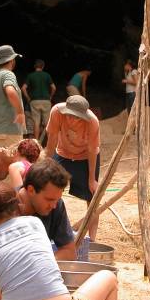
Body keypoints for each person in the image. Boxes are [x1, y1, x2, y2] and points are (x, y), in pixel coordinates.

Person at [0, 158, 78, 260]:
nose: (54, 205)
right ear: (31, 190)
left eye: (57, 200)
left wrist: (40, 264)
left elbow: (69, 251)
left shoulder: (56, 205)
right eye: (49, 199)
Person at [45, 95, 101, 240]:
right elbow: (51, 140)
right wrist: (46, 165)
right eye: (69, 115)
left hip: (85, 157)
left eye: (76, 117)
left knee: (93, 195)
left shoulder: (92, 121)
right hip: (62, 153)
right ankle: (48, 233)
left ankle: (93, 240)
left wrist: (91, 179)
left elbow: (92, 150)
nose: (71, 119)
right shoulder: (56, 112)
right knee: (48, 188)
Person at [0, 45, 25, 148]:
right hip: (7, 132)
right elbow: (10, 91)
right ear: (12, 60)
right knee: (12, 163)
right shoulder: (8, 74)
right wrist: (20, 112)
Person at [22, 59, 56, 139]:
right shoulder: (47, 75)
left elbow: (23, 88)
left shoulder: (30, 75)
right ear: (43, 66)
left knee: (36, 123)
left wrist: (28, 98)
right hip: (46, 101)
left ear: (35, 66)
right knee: (48, 123)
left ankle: (36, 143)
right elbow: (54, 88)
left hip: (34, 101)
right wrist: (50, 97)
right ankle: (50, 143)